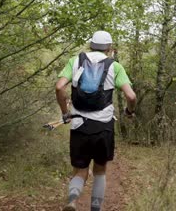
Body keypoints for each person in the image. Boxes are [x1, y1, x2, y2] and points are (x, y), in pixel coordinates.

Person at [55, 30, 137, 211]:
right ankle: (95, 208)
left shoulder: (75, 61)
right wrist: (129, 112)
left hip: (79, 124)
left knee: (80, 169)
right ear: (110, 48)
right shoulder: (115, 67)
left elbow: (59, 87)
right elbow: (131, 96)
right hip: (103, 126)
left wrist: (65, 113)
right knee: (100, 171)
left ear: (90, 44)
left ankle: (72, 200)